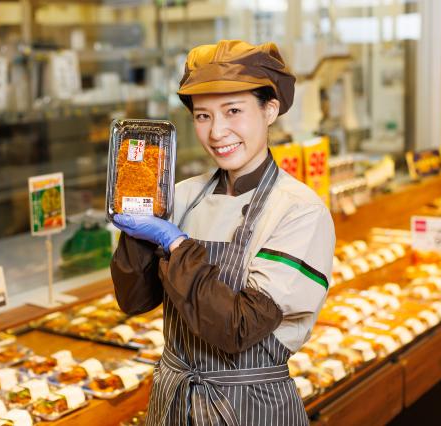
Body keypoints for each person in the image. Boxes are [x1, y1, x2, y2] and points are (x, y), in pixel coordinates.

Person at [110, 40, 335, 426]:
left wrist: (175, 243)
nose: (217, 132)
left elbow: (239, 327)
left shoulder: (299, 211)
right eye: (203, 116)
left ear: (270, 109)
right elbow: (134, 301)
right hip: (174, 405)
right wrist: (135, 217)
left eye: (233, 111)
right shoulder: (181, 195)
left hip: (251, 407)